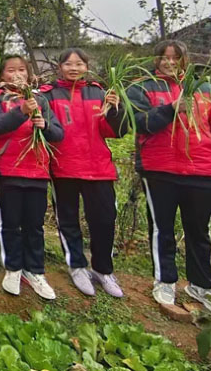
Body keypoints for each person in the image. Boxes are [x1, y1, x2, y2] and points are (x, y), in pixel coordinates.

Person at [127, 40, 211, 315]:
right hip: (159, 169)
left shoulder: (207, 90)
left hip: (202, 170)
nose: (170, 63)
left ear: (186, 60)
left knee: (199, 231)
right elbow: (139, 123)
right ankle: (165, 280)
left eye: (176, 58)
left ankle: (201, 285)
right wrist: (171, 110)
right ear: (156, 60)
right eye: (164, 58)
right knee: (162, 229)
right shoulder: (142, 88)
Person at [41, 48, 127, 298]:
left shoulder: (100, 93)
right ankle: (77, 266)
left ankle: (103, 269)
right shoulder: (49, 95)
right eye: (68, 64)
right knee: (68, 220)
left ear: (86, 67)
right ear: (59, 67)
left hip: (98, 167)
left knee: (104, 220)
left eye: (79, 63)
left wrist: (116, 108)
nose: (74, 68)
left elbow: (115, 131)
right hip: (63, 167)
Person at [0, 55, 64, 300]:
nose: (16, 74)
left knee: (35, 226)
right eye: (10, 70)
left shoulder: (40, 100)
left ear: (29, 75)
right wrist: (21, 111)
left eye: (21, 70)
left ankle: (35, 270)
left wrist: (44, 126)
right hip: (9, 171)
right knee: (10, 225)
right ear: (2, 76)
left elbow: (58, 133)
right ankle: (13, 268)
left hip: (37, 171)